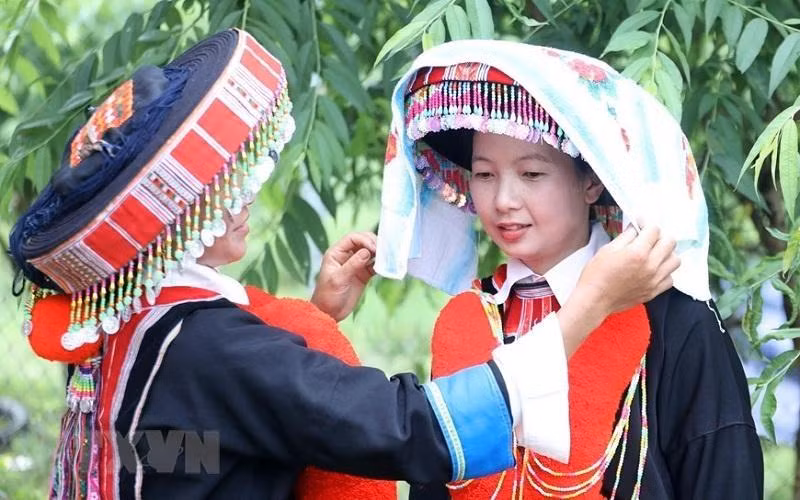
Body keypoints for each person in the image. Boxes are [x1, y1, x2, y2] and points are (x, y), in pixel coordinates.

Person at [10, 30, 677, 500]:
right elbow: (414, 429)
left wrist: (315, 322)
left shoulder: (129, 332)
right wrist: (589, 303)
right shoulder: (213, 348)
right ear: (177, 219)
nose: (245, 196)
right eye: (222, 186)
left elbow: (182, 449)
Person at [374, 40, 763, 499]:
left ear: (593, 181)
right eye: (484, 174)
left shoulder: (676, 318)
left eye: (532, 175)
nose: (503, 201)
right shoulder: (471, 317)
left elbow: (723, 478)